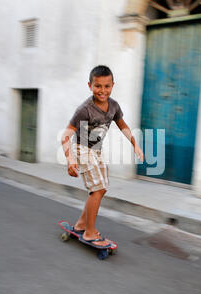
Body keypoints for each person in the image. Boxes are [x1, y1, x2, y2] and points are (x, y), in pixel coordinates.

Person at [61, 65, 144, 248]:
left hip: (96, 150)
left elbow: (123, 125)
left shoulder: (113, 106)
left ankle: (82, 224)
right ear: (90, 85)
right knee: (98, 189)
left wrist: (135, 144)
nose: (102, 91)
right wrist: (70, 159)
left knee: (101, 188)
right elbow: (65, 136)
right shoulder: (85, 109)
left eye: (107, 86)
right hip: (81, 150)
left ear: (112, 85)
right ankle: (90, 232)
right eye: (98, 86)